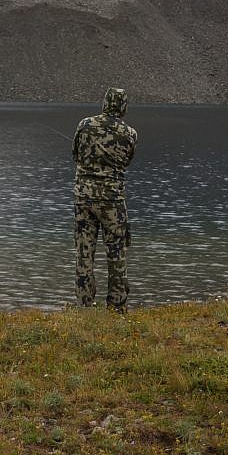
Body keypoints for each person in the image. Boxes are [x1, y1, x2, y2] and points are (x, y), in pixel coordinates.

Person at [72, 87, 137, 311]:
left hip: (83, 199)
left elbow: (75, 155)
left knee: (84, 254)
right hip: (113, 202)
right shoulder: (130, 133)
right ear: (123, 106)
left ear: (105, 102)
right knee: (117, 253)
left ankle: (84, 305)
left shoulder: (84, 125)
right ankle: (117, 305)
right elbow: (127, 161)